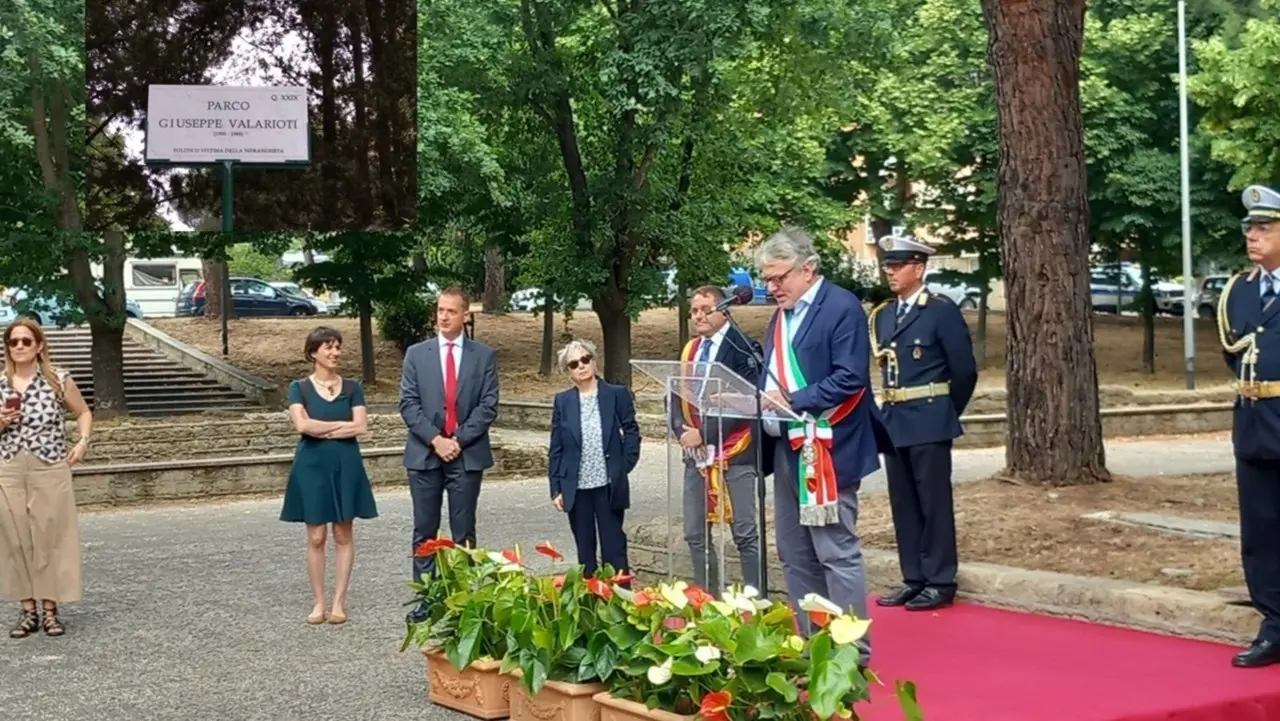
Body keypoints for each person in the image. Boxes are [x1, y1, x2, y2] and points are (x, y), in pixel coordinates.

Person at [754, 226, 891, 663]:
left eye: (780, 278)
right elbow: (773, 372)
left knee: (835, 551)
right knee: (794, 553)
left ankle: (852, 652)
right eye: (767, 280)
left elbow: (850, 377)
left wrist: (791, 399)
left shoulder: (840, 307)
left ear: (808, 269)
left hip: (827, 446)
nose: (772, 287)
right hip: (786, 445)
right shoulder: (782, 314)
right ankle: (815, 647)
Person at [868, 235, 978, 612]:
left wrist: (944, 412)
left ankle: (940, 580)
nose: (891, 272)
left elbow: (964, 371)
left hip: (930, 419)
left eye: (898, 266)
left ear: (919, 268)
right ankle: (914, 577)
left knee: (933, 503)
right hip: (895, 420)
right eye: (888, 266)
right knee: (904, 504)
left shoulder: (940, 311)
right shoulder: (884, 314)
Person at [400, 287, 499, 623]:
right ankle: (426, 598)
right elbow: (408, 404)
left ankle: (463, 599)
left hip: (466, 454)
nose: (443, 316)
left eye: (451, 311)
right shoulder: (416, 354)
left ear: (465, 315)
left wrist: (456, 439)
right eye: (440, 310)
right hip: (425, 455)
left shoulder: (483, 356)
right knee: (424, 531)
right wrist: (435, 440)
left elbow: (488, 406)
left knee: (463, 530)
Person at [1217, 183, 1280, 668]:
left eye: (1263, 227)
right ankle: (1274, 623)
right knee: (1261, 531)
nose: (1252, 236)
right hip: (1254, 424)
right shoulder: (1238, 289)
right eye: (1249, 228)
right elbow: (1233, 356)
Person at [0, 317, 93, 638]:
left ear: (39, 346)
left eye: (26, 341)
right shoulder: (0, 384)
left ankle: (51, 610)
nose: (20, 347)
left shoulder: (57, 380)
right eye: (13, 342)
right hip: (9, 467)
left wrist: (82, 442)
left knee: (51, 536)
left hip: (50, 466)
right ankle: (28, 611)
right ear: (7, 348)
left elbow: (83, 412)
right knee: (15, 538)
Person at [668, 285, 764, 592]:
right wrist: (681, 430)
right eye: (694, 310)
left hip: (735, 453)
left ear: (724, 310)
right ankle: (707, 599)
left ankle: (754, 602)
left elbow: (749, 401)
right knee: (695, 533)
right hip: (695, 457)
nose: (698, 316)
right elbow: (674, 395)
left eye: (705, 309)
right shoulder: (690, 350)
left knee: (745, 532)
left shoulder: (743, 348)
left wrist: (704, 433)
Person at [279, 326, 377, 625]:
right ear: (313, 353)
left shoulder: (352, 387)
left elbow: (360, 427)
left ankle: (338, 602)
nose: (335, 352)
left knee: (343, 533)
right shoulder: (299, 387)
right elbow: (301, 426)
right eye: (328, 347)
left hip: (346, 463)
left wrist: (320, 427)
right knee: (317, 535)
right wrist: (337, 427)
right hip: (311, 465)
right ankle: (318, 602)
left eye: (338, 347)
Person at [548, 340, 641, 576]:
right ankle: (590, 605)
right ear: (567, 371)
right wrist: (556, 488)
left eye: (585, 359)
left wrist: (624, 465)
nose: (581, 366)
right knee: (585, 554)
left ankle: (620, 604)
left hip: (608, 484)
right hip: (576, 487)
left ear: (594, 360)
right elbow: (556, 446)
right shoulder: (563, 401)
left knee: (614, 550)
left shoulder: (617, 394)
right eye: (574, 363)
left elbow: (631, 431)